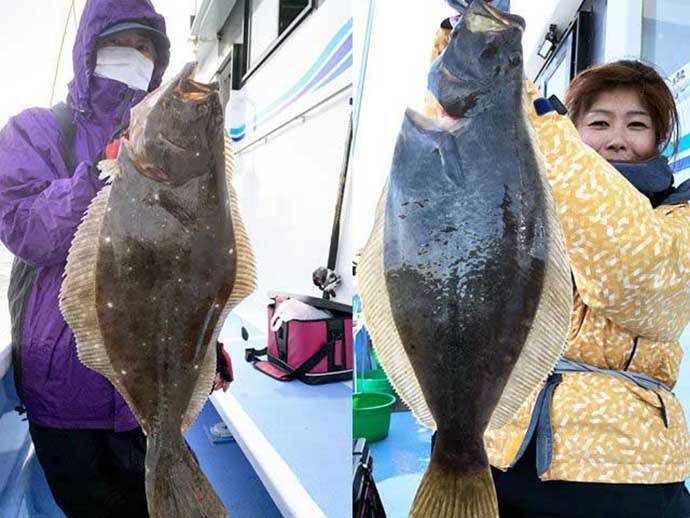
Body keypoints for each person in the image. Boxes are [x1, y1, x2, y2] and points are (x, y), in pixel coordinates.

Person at [427, 16, 690, 518]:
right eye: (598, 122)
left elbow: (638, 279)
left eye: (637, 124)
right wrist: (458, 75)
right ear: (575, 133)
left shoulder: (678, 216)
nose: (617, 138)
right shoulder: (527, 203)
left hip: (624, 474)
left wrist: (531, 121)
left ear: (660, 140)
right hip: (497, 453)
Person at [0, 1, 209, 517]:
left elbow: (187, 260)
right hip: (66, 392)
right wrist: (98, 173)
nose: (135, 56)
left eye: (146, 48)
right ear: (91, 49)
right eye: (123, 43)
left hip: (150, 391)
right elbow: (27, 231)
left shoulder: (169, 141)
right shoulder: (37, 131)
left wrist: (204, 340)